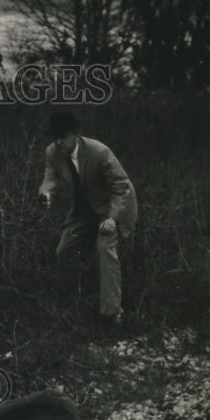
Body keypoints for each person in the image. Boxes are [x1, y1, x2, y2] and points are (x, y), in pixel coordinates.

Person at [38, 111, 138, 325]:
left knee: (105, 249)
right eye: (54, 137)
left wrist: (112, 217)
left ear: (75, 134)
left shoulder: (99, 152)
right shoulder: (52, 152)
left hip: (110, 210)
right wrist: (46, 193)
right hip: (83, 213)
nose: (58, 142)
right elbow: (50, 178)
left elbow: (122, 187)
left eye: (62, 136)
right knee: (64, 249)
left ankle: (112, 314)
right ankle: (68, 305)